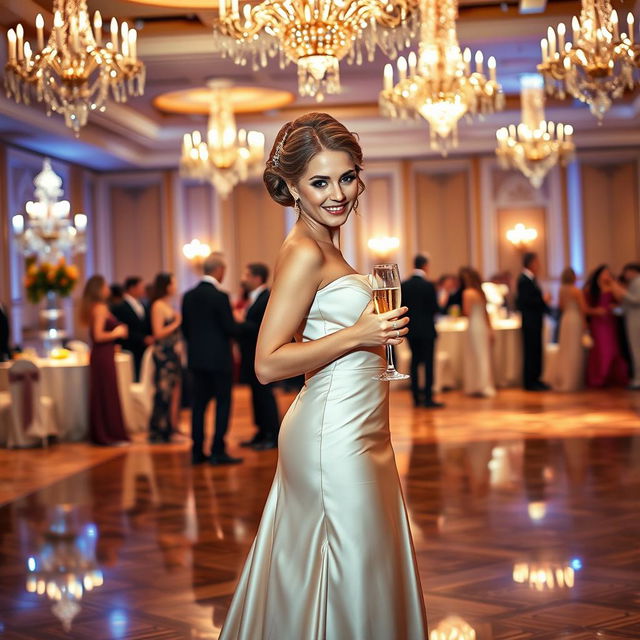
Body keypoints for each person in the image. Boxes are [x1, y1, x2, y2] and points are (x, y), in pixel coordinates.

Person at [219, 113, 427, 639]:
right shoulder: (304, 252)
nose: (338, 194)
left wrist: (370, 335)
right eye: (319, 182)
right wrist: (357, 336)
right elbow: (267, 363)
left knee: (358, 563)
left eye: (347, 177)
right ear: (291, 187)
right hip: (331, 436)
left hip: (359, 430)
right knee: (351, 563)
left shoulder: (327, 245)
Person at [181, 253, 243, 466]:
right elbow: (230, 328)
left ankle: (197, 452)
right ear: (218, 271)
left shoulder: (187, 296)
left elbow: (186, 329)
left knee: (198, 405)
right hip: (219, 359)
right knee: (222, 404)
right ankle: (218, 450)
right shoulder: (220, 297)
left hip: (197, 359)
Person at [80, 275, 130, 446]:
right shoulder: (100, 308)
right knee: (107, 392)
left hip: (104, 353)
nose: (108, 288)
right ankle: (109, 434)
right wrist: (117, 333)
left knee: (104, 392)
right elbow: (98, 335)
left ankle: (104, 432)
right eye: (105, 285)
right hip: (102, 354)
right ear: (99, 289)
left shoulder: (96, 307)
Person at [236, 263, 280, 450]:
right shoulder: (253, 298)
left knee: (264, 395)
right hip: (250, 354)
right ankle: (261, 431)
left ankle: (271, 434)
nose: (243, 278)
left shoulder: (265, 298)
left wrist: (239, 321)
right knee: (255, 395)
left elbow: (261, 328)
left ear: (257, 278)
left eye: (246, 274)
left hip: (261, 354)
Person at [401, 254, 444, 408]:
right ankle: (427, 398)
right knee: (428, 363)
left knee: (414, 361)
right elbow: (435, 309)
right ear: (425, 266)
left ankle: (415, 398)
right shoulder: (428, 285)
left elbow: (402, 308)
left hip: (411, 330)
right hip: (427, 330)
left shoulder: (404, 284)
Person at [148, 273, 182, 444]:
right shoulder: (158, 306)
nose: (175, 286)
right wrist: (176, 323)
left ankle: (171, 428)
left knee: (173, 390)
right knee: (163, 391)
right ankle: (158, 430)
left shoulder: (167, 304)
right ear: (166, 285)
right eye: (173, 283)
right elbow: (158, 333)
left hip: (172, 353)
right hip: (163, 353)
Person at [585, 265, 628, 387]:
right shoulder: (591, 289)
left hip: (610, 322)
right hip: (598, 323)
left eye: (609, 273)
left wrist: (613, 284)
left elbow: (621, 298)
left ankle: (612, 377)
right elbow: (585, 308)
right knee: (601, 349)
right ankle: (599, 377)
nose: (607, 276)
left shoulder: (612, 287)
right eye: (605, 273)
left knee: (613, 349)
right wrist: (595, 311)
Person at [516, 252, 551, 391]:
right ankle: (530, 381)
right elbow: (524, 301)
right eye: (537, 262)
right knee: (531, 351)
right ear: (531, 263)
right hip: (530, 321)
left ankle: (536, 379)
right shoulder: (524, 280)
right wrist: (543, 300)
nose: (539, 265)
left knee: (536, 350)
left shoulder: (530, 279)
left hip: (535, 320)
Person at [460, 266, 495, 397]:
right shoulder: (481, 293)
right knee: (483, 355)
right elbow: (486, 314)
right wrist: (491, 330)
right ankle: (484, 384)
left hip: (473, 326)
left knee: (474, 355)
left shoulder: (467, 293)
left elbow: (467, 312)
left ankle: (475, 385)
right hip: (483, 326)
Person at [553, 267, 588, 392]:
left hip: (566, 320)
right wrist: (585, 324)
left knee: (566, 348)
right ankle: (574, 379)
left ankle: (564, 378)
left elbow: (561, 306)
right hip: (575, 320)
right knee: (574, 348)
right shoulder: (577, 291)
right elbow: (583, 309)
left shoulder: (561, 290)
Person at [112, 276, 153, 381]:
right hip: (130, 346)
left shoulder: (143, 304)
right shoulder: (120, 306)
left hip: (143, 348)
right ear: (132, 288)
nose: (143, 290)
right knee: (131, 376)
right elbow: (122, 328)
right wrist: (142, 338)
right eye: (141, 287)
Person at [613, 263, 640, 389]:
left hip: (636, 319)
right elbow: (626, 306)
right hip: (632, 318)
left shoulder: (638, 282)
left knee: (636, 349)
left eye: (626, 271)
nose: (625, 275)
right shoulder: (634, 283)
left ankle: (637, 379)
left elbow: (636, 300)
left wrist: (623, 292)